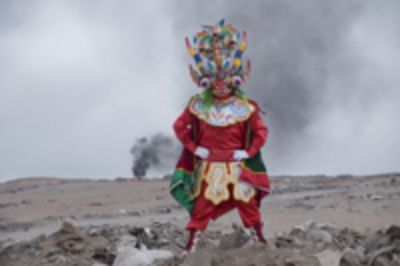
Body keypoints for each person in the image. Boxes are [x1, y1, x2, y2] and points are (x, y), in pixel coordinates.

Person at [170, 20, 270, 253]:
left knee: (247, 203)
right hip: (210, 166)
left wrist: (249, 152)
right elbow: (179, 126)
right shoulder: (197, 106)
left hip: (236, 164)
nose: (221, 86)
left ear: (235, 81)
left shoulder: (245, 106)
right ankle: (191, 246)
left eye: (225, 82)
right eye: (216, 83)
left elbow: (261, 132)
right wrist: (195, 148)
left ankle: (260, 243)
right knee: (203, 207)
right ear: (206, 84)